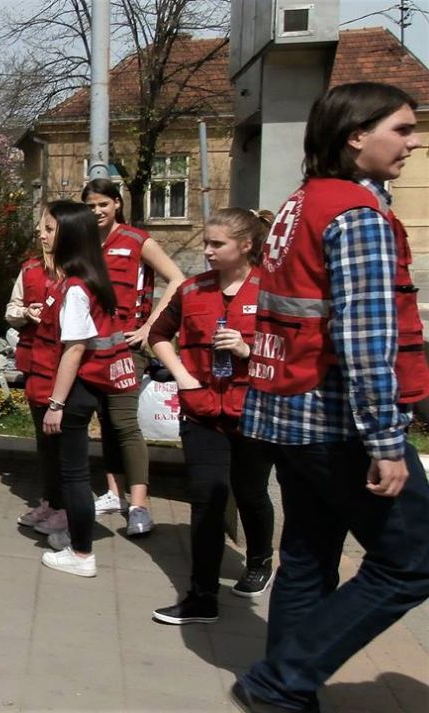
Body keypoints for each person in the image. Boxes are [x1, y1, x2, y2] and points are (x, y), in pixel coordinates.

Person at [231, 82, 429, 713]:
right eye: (400, 129)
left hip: (287, 412)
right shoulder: (357, 216)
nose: (413, 141)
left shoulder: (301, 204)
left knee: (308, 559)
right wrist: (387, 443)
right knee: (413, 561)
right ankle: (283, 678)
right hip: (335, 420)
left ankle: (286, 694)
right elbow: (366, 339)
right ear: (355, 136)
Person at [147, 208, 276, 625]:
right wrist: (183, 376)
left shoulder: (272, 290)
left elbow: (295, 351)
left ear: (246, 245)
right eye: (206, 242)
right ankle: (201, 597)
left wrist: (247, 350)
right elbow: (158, 336)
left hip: (253, 412)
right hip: (202, 412)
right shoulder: (192, 290)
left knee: (250, 492)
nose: (207, 251)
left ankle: (259, 558)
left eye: (216, 244)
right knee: (207, 499)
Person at [25, 200, 138, 577]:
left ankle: (81, 552)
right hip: (83, 390)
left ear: (70, 235)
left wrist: (56, 402)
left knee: (73, 475)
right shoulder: (88, 279)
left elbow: (74, 349)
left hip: (75, 392)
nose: (42, 234)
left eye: (50, 228)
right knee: (72, 472)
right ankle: (75, 541)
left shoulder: (74, 288)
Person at [81, 179, 185, 536]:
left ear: (117, 204)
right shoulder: (85, 243)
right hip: (93, 345)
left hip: (126, 346)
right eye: (91, 205)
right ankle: (114, 493)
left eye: (103, 205)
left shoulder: (138, 240)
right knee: (106, 420)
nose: (97, 211)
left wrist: (150, 328)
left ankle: (140, 505)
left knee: (124, 421)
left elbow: (177, 280)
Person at [6, 224, 64, 534]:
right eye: (40, 229)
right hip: (36, 365)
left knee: (64, 443)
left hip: (66, 369)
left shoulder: (79, 274)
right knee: (45, 441)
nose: (41, 235)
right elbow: (11, 310)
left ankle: (65, 510)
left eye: (49, 229)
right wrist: (25, 313)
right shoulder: (29, 269)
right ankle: (52, 501)